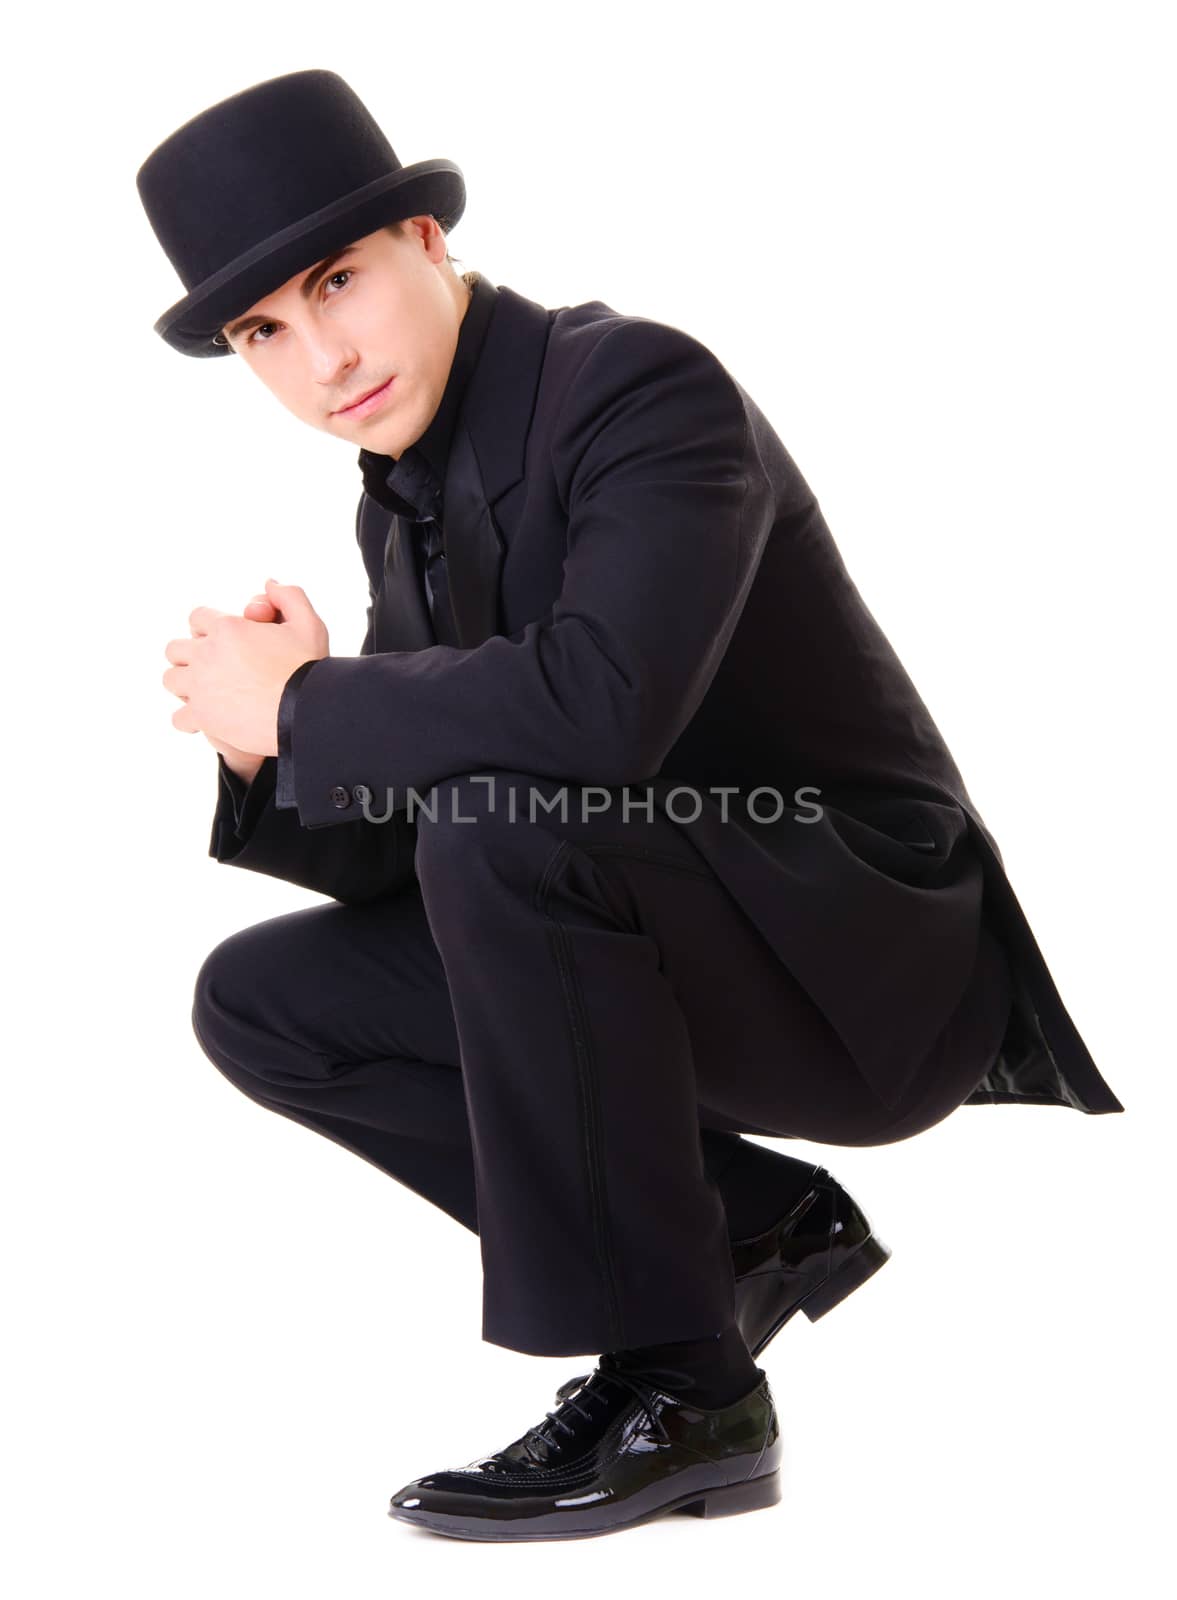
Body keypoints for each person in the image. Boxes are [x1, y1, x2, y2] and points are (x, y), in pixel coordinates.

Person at [138, 68, 1124, 1543]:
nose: (320, 357)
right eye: (264, 330)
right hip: (663, 945)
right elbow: (429, 842)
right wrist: (263, 749)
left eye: (338, 281)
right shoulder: (402, 488)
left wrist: (308, 704)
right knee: (264, 1002)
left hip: (864, 969)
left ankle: (684, 1388)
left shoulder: (638, 388)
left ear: (425, 242)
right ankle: (740, 1224)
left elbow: (602, 712)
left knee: (509, 816)